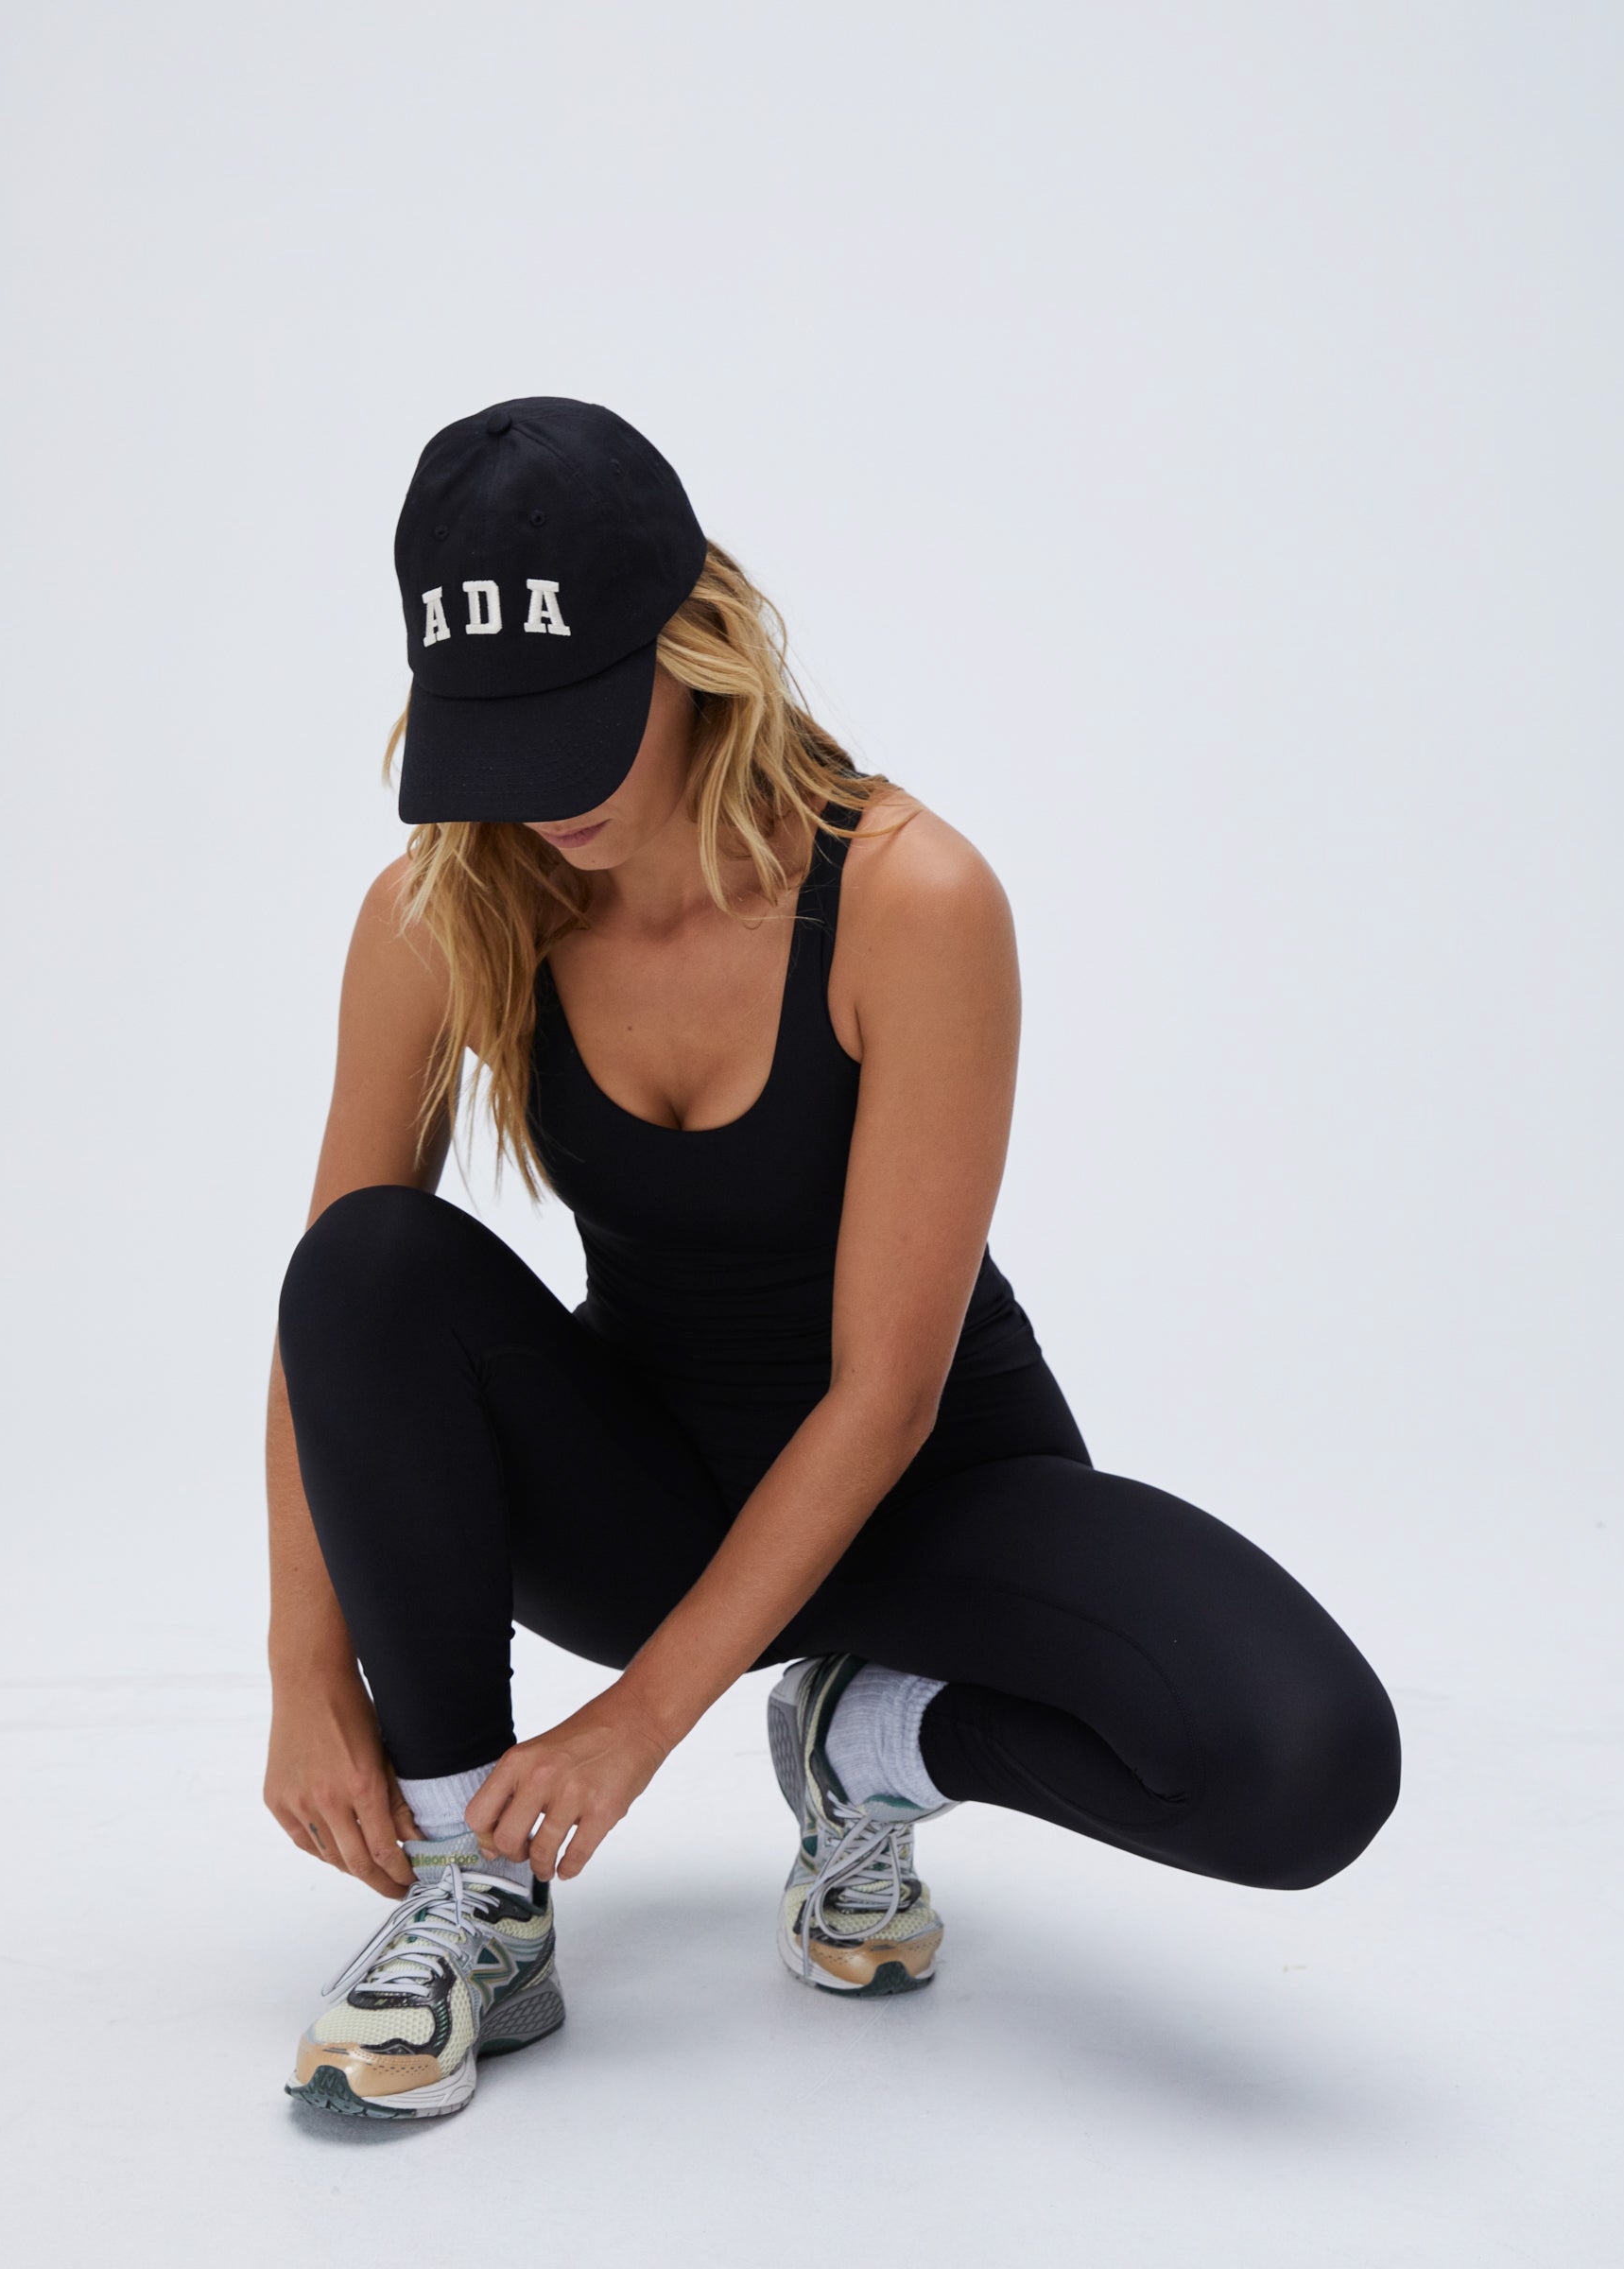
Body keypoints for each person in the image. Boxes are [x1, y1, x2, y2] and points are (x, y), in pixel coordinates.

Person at [268, 396, 1402, 2121]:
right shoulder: (448, 907)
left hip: (931, 1496)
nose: (541, 797)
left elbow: (884, 1393)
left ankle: (865, 1741)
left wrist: (639, 1724)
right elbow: (331, 1325)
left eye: (579, 729)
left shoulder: (909, 898)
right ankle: (468, 1885)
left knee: (1307, 1762)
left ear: (694, 646)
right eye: (500, 740)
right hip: (651, 1508)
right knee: (365, 1261)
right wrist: (302, 1670)